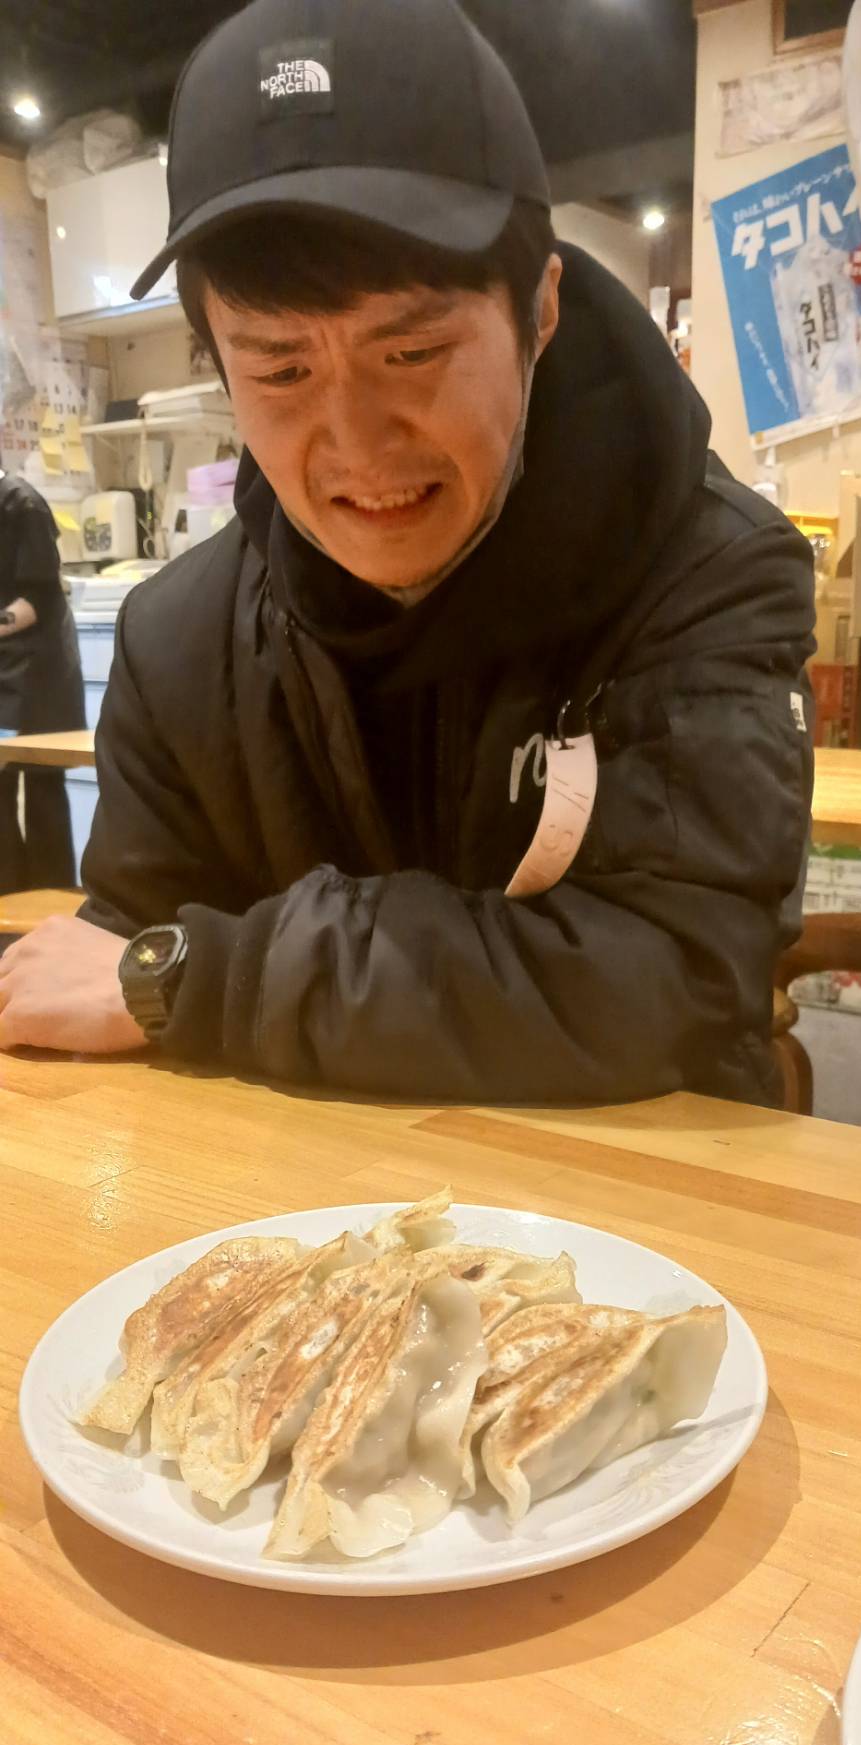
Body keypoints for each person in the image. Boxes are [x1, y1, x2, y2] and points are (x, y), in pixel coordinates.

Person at [0, 0, 815, 1104]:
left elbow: (671, 973)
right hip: (277, 1197)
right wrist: (169, 982)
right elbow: (117, 981)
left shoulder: (708, 576)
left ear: (539, 311)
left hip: (632, 1190)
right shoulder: (178, 637)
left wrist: (209, 980)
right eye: (281, 371)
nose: (356, 447)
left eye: (413, 350)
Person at [0, 465, 85, 895]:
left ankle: (50, 904)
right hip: (6, 666)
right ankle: (9, 904)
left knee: (40, 789)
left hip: (38, 671)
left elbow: (39, 599)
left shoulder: (23, 505)